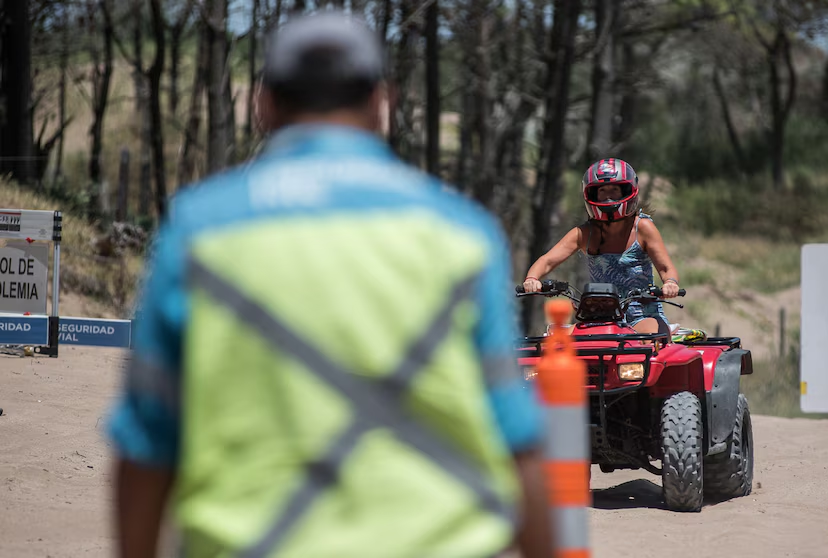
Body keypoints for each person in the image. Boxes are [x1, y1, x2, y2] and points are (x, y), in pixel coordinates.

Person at [106, 10, 553, 558]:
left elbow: (146, 440)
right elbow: (517, 440)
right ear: (381, 103)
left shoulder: (197, 230)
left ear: (264, 104)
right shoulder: (461, 232)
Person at [523, 158, 680, 334]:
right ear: (591, 195)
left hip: (643, 317)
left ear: (627, 191)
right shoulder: (585, 233)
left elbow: (666, 268)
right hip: (600, 319)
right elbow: (547, 261)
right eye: (602, 191)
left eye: (614, 190)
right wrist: (532, 279)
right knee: (555, 338)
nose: (608, 196)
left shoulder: (643, 228)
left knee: (652, 336)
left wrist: (670, 283)